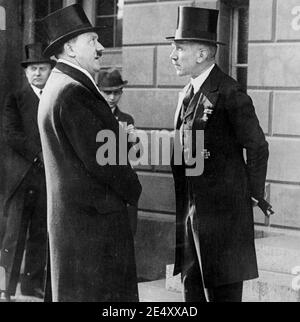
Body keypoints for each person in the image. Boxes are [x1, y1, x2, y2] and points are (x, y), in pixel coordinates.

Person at [38, 4, 142, 302]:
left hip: (77, 226)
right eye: (92, 41)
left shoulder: (58, 85)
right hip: (93, 229)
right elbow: (103, 160)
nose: (101, 48)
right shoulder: (74, 90)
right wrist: (133, 187)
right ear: (70, 49)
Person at [168, 6, 269, 302]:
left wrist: (250, 193)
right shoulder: (186, 93)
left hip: (224, 223)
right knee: (193, 295)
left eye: (179, 48)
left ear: (201, 54)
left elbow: (258, 146)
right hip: (190, 217)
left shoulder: (229, 92)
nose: (172, 55)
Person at [0, 43, 55, 300]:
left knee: (41, 232)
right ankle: (7, 288)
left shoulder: (55, 97)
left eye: (42, 68)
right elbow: (11, 134)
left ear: (50, 70)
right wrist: (38, 153)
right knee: (15, 234)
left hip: (47, 177)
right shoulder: (15, 98)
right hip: (22, 176)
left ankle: (31, 284)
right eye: (32, 69)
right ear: (26, 72)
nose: (37, 73)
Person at [98, 68, 138, 235]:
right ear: (99, 92)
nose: (112, 98)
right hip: (99, 185)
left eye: (116, 92)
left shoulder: (126, 120)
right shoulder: (92, 116)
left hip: (121, 183)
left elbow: (133, 152)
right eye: (107, 93)